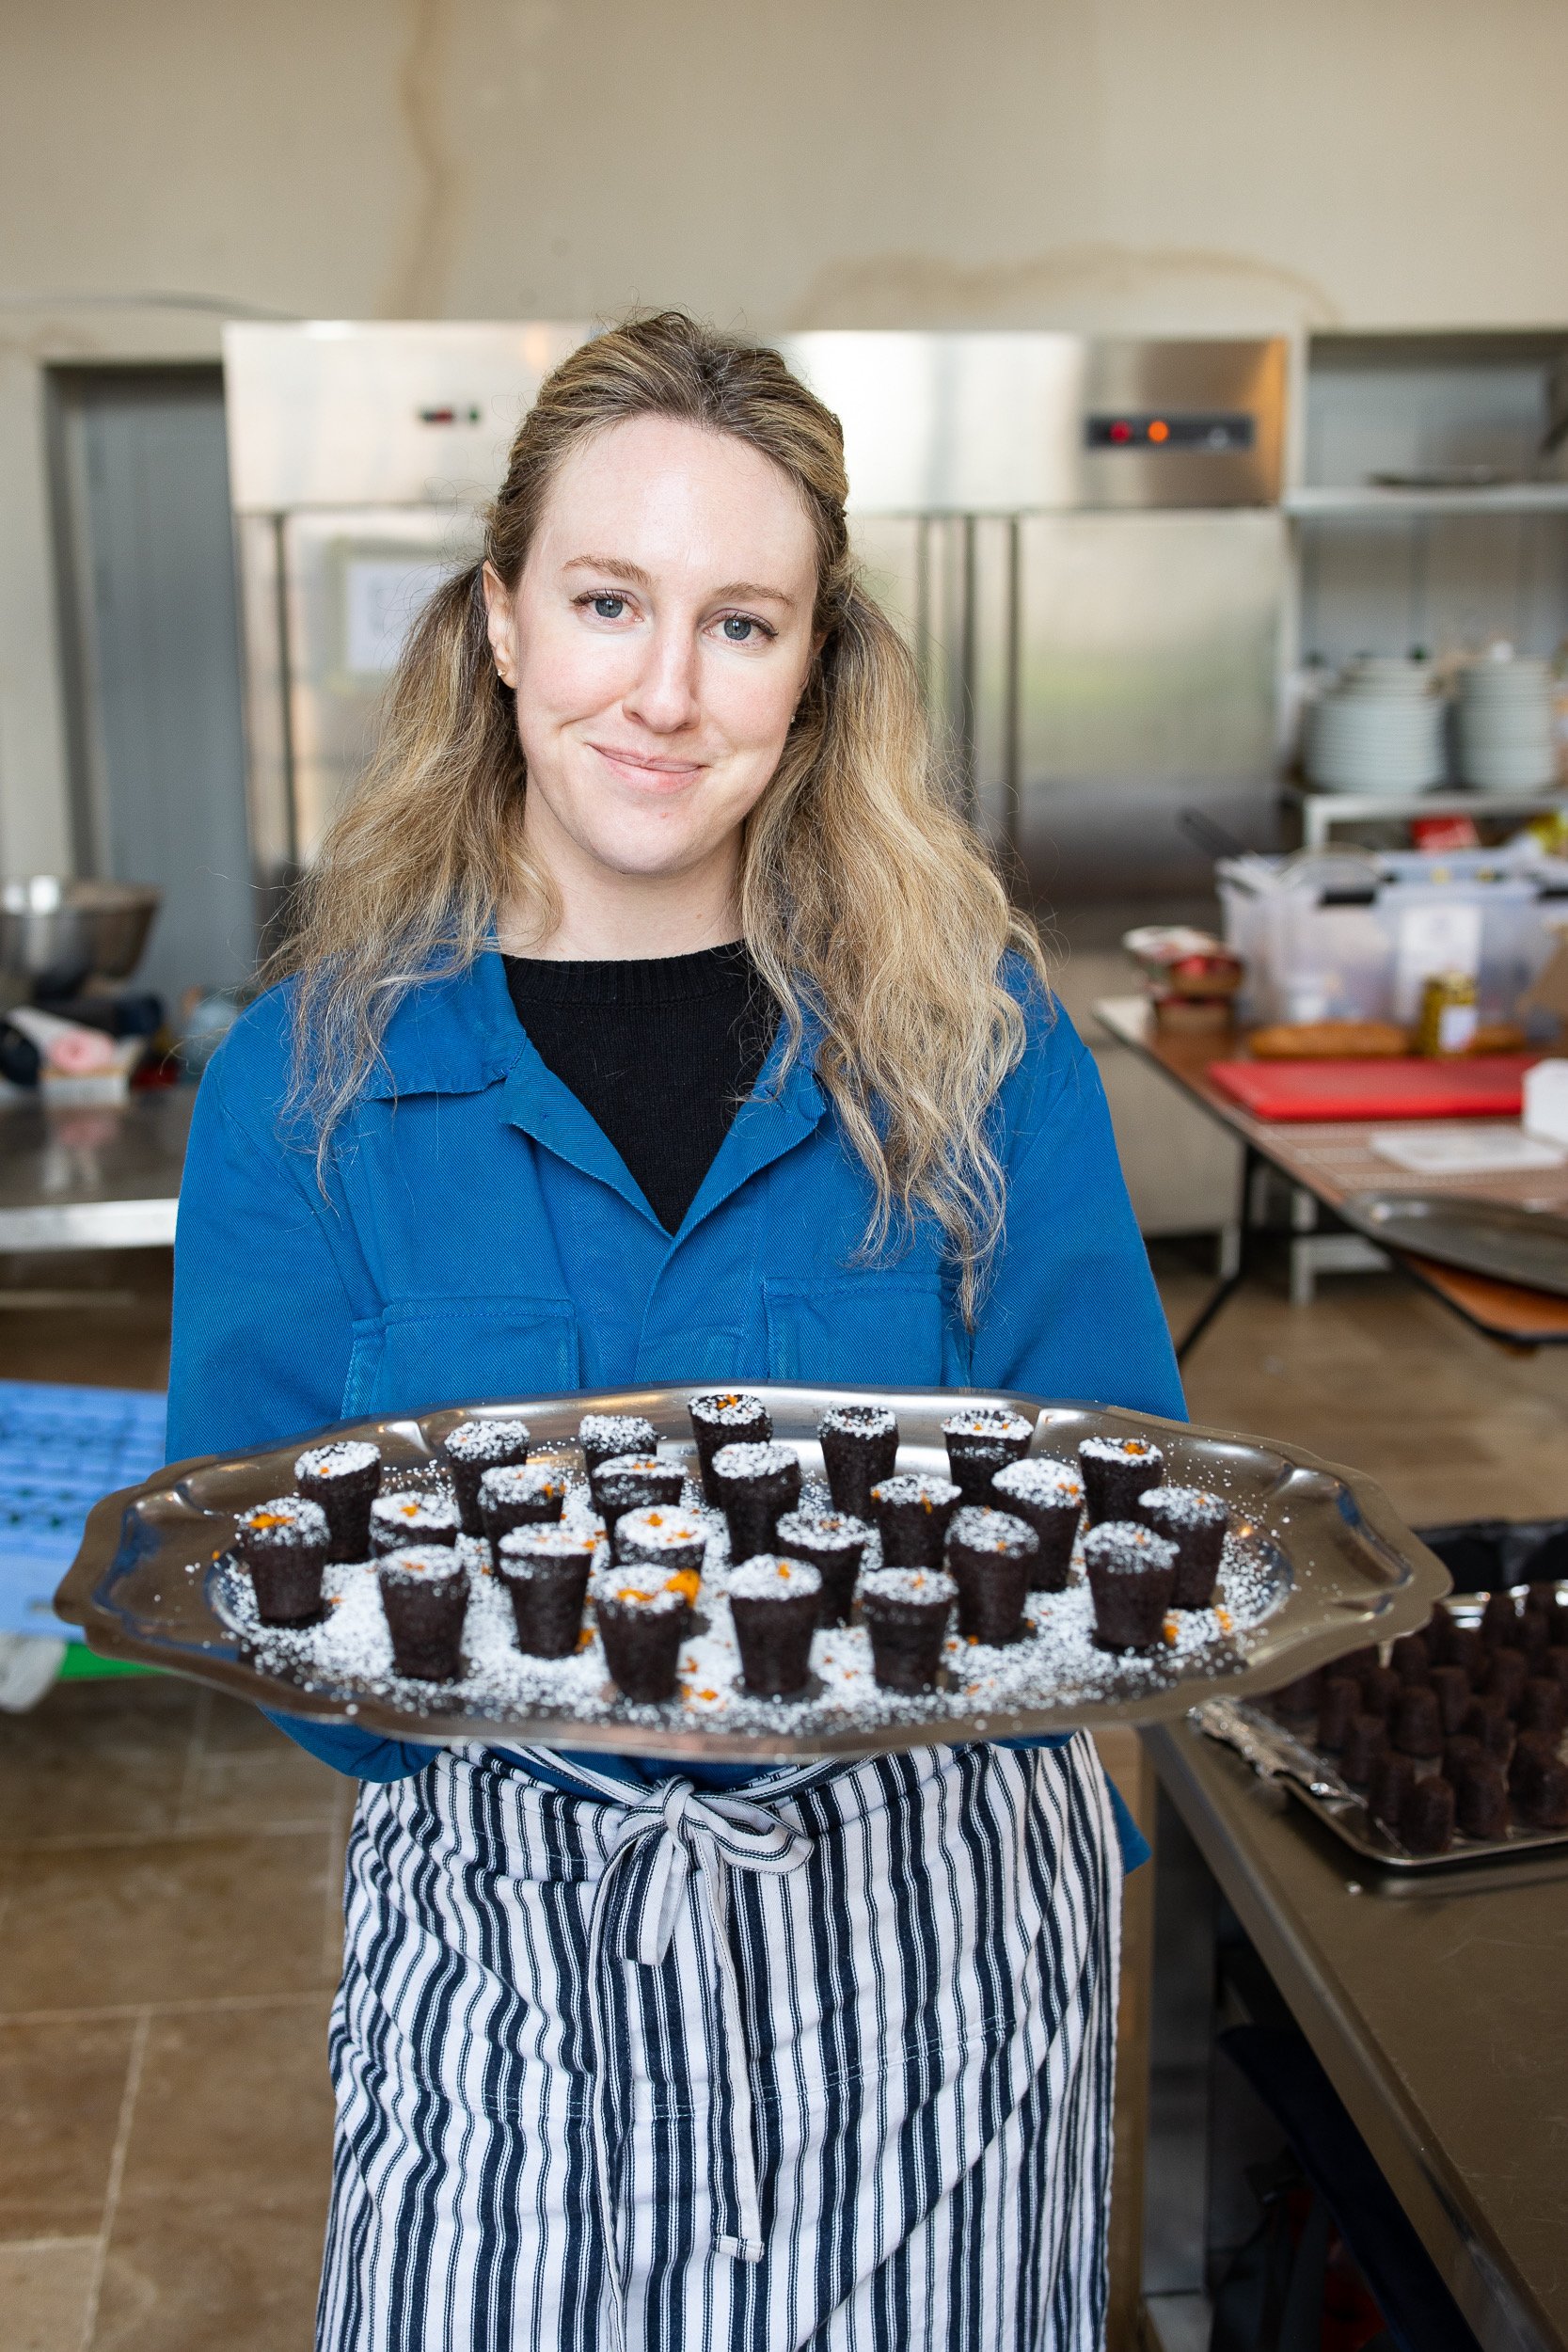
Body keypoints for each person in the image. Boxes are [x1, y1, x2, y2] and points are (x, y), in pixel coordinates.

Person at [168, 311, 1184, 2352]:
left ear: (815, 670)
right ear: (501, 624)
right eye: (609, 599)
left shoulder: (972, 1043)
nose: (663, 687)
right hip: (515, 1963)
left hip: (940, 1962)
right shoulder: (308, 1081)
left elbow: (1119, 1501)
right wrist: (577, 1710)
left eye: (742, 621)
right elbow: (258, 1568)